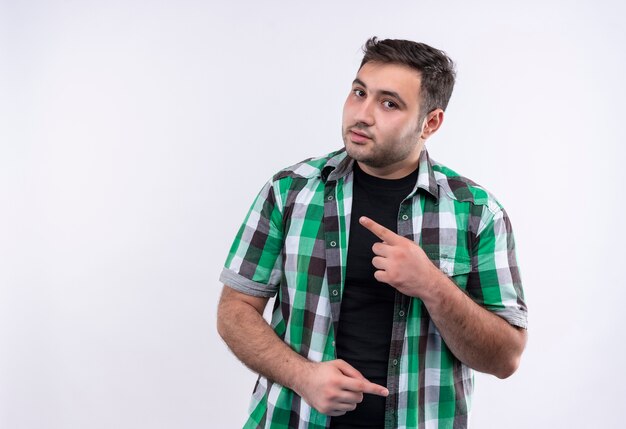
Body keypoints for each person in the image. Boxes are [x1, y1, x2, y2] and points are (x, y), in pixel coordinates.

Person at [217, 37, 528, 429]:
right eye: (359, 92)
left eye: (389, 103)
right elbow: (234, 310)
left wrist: (431, 284)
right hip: (293, 419)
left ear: (430, 123)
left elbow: (505, 358)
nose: (362, 114)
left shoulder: (478, 214)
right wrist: (304, 376)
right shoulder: (290, 192)